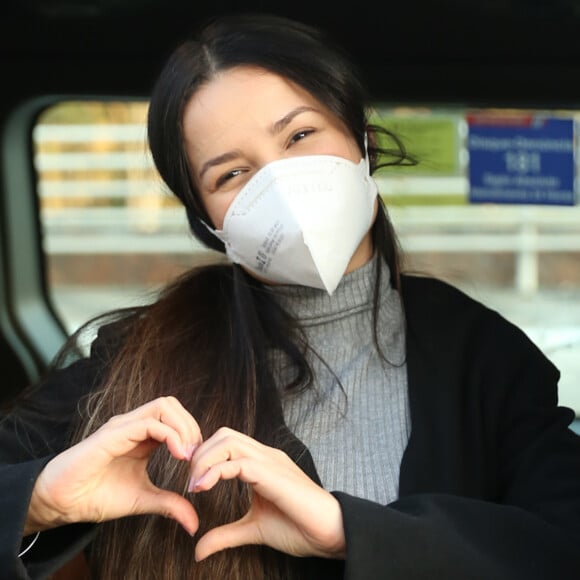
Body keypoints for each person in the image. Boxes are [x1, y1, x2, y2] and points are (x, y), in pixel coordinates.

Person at [2, 10, 580, 580]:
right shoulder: (135, 358)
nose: (278, 184)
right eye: (231, 175)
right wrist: (39, 502)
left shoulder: (487, 355)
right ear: (210, 226)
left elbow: (560, 543)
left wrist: (349, 531)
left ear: (364, 144)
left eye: (300, 135)